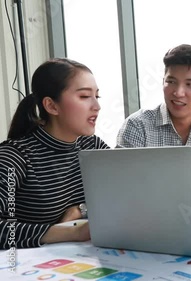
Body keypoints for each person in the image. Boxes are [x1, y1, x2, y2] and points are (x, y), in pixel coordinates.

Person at [0, 58, 109, 249]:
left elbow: (125, 197)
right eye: (84, 97)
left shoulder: (93, 146)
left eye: (97, 97)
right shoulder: (13, 157)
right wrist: (71, 232)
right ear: (51, 106)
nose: (96, 106)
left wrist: (80, 210)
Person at [117, 44, 191, 209]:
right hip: (144, 219)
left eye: (189, 84)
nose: (178, 92)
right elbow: (121, 186)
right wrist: (180, 198)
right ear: (163, 82)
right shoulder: (137, 125)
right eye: (171, 82)